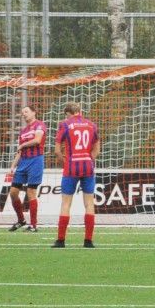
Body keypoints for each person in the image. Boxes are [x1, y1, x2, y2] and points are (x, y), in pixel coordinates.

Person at [53, 103, 98, 248]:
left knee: (66, 204)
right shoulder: (92, 125)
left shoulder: (65, 124)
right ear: (79, 111)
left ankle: (61, 241)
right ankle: (88, 241)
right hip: (88, 167)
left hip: (71, 167)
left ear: (68, 113)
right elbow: (97, 148)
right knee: (89, 203)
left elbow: (57, 150)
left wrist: (64, 162)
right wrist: (90, 159)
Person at [7, 104, 45, 232]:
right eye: (22, 112)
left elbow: (37, 140)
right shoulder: (23, 131)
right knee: (13, 192)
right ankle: (21, 220)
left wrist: (23, 145)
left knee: (31, 192)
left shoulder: (39, 125)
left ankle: (33, 225)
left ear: (34, 112)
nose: (24, 114)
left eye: (26, 111)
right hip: (22, 162)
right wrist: (13, 166)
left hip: (35, 161)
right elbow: (20, 151)